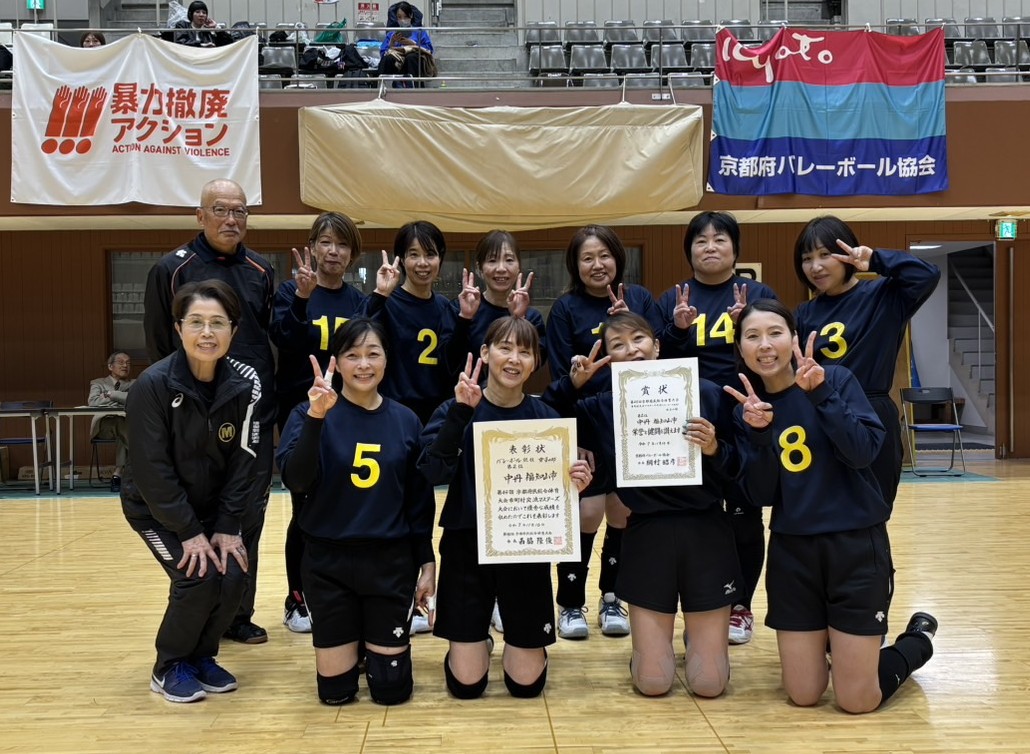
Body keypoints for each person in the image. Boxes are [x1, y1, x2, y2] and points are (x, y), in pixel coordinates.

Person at [727, 299, 937, 713]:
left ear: (794, 338)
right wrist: (761, 435)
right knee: (803, 694)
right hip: (793, 553)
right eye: (752, 336)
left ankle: (917, 641)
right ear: (741, 348)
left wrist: (821, 394)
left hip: (854, 546)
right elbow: (761, 495)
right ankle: (840, 651)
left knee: (857, 700)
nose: (765, 345)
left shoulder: (835, 378)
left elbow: (863, 452)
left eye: (775, 333)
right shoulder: (747, 409)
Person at [543, 312, 741, 698]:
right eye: (618, 345)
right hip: (646, 532)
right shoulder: (603, 406)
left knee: (709, 684)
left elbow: (738, 467)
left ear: (657, 346)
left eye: (638, 339)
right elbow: (544, 417)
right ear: (609, 359)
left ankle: (702, 641)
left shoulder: (707, 392)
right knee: (653, 682)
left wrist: (715, 448)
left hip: (706, 529)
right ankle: (655, 650)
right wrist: (572, 384)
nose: (631, 349)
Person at [419, 316, 592, 699]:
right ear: (485, 352)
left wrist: (575, 484)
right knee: (466, 684)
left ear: (534, 364)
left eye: (525, 352)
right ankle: (477, 642)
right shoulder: (455, 408)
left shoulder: (548, 420)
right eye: (505, 347)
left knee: (526, 684)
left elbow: (557, 500)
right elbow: (431, 472)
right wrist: (461, 414)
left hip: (524, 548)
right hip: (466, 544)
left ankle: (520, 642)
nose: (514, 359)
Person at [277, 318, 436, 706]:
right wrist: (316, 417)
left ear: (386, 360)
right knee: (335, 693)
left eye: (372, 354)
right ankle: (355, 644)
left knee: (391, 692)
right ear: (336, 361)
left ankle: (374, 643)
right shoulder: (308, 413)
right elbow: (296, 480)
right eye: (352, 355)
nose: (363, 365)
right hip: (327, 564)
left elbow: (418, 501)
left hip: (389, 564)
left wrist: (427, 561)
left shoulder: (406, 421)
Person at [144, 178, 275, 646]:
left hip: (251, 414)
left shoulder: (262, 270)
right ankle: (198, 611)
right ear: (200, 216)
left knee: (246, 516)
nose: (231, 219)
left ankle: (237, 615)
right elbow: (160, 346)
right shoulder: (171, 269)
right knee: (197, 515)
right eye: (220, 209)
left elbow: (265, 340)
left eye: (240, 211)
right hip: (193, 417)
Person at [122, 280, 260, 703]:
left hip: (213, 509)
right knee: (197, 575)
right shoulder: (152, 385)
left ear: (233, 330)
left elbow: (245, 460)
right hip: (154, 510)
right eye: (196, 322)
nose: (207, 333)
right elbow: (151, 469)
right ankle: (169, 665)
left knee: (233, 573)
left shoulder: (245, 384)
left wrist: (228, 525)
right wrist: (188, 531)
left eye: (218, 323)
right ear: (179, 328)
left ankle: (201, 656)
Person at [657, 211, 778, 645]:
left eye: (720, 239)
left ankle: (740, 605)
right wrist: (678, 328)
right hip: (690, 423)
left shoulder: (759, 295)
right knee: (700, 515)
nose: (710, 247)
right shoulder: (673, 297)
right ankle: (705, 604)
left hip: (746, 418)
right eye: (701, 240)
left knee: (745, 514)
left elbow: (773, 353)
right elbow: (657, 360)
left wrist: (747, 323)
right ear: (689, 250)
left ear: (735, 249)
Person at [545, 224, 662, 640]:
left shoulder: (640, 298)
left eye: (605, 255)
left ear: (618, 258)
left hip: (635, 424)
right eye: (587, 258)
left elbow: (658, 352)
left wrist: (629, 321)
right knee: (587, 513)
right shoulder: (565, 308)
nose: (598, 265)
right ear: (575, 265)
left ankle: (612, 597)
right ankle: (569, 602)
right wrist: (573, 438)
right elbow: (562, 379)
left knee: (623, 512)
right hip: (587, 424)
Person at [793, 216, 940, 512]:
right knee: (825, 507)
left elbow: (927, 275)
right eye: (807, 259)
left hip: (872, 412)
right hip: (822, 411)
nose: (815, 266)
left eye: (825, 254)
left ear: (846, 253)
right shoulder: (804, 313)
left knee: (873, 508)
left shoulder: (884, 295)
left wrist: (875, 260)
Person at [356, 220, 457, 635]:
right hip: (394, 418)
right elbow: (357, 339)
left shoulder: (448, 309)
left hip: (436, 422)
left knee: (426, 506)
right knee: (396, 506)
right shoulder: (389, 303)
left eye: (429, 254)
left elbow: (458, 362)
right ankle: (397, 597)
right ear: (400, 260)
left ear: (440, 260)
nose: (422, 263)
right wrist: (379, 294)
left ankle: (432, 595)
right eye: (413, 254)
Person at [270, 212, 366, 635]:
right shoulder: (290, 292)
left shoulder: (358, 301)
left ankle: (341, 592)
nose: (333, 251)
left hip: (346, 415)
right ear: (311, 247)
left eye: (342, 245)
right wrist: (302, 298)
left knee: (344, 500)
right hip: (300, 413)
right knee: (304, 505)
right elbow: (284, 340)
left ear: (352, 254)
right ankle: (297, 598)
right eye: (325, 242)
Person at [87, 351, 135, 492]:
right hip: (104, 426)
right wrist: (121, 399)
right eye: (121, 362)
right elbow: (93, 402)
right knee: (123, 425)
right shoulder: (98, 383)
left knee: (122, 428)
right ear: (110, 366)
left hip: (125, 427)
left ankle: (117, 474)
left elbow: (134, 399)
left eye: (128, 363)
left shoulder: (135, 383)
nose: (125, 365)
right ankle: (138, 468)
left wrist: (111, 395)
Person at [378, 2, 435, 84]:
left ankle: (413, 87)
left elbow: (429, 50)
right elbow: (383, 52)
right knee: (387, 59)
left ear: (411, 15)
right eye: (399, 17)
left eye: (405, 17)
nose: (402, 20)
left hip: (413, 60)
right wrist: (392, 43)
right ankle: (383, 86)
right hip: (396, 60)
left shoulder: (420, 32)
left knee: (411, 58)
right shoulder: (391, 34)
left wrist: (413, 44)